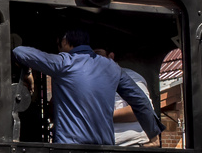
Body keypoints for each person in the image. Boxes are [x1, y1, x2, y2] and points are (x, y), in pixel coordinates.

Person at [11, 30, 161, 146]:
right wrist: (153, 136)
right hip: (105, 150)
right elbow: (140, 100)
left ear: (64, 42)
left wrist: (28, 74)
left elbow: (19, 52)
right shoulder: (112, 67)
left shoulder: (63, 62)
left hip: (69, 149)